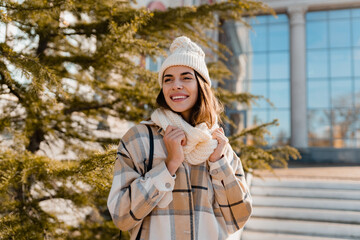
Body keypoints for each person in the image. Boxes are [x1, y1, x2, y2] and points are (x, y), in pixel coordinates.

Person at [107, 36, 252, 240]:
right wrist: (169, 166)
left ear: (201, 86)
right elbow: (121, 216)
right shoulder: (138, 139)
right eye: (168, 79)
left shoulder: (217, 144)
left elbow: (238, 218)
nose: (176, 85)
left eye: (186, 77)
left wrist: (218, 163)